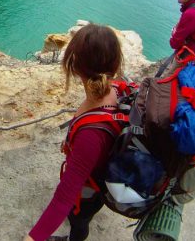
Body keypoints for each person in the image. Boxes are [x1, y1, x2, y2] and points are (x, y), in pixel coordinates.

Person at [24, 23, 124, 241]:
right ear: (116, 63)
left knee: (78, 218)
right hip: (102, 175)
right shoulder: (119, 90)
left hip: (90, 189)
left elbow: (63, 199)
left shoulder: (91, 136)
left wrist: (33, 238)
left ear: (75, 66)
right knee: (80, 216)